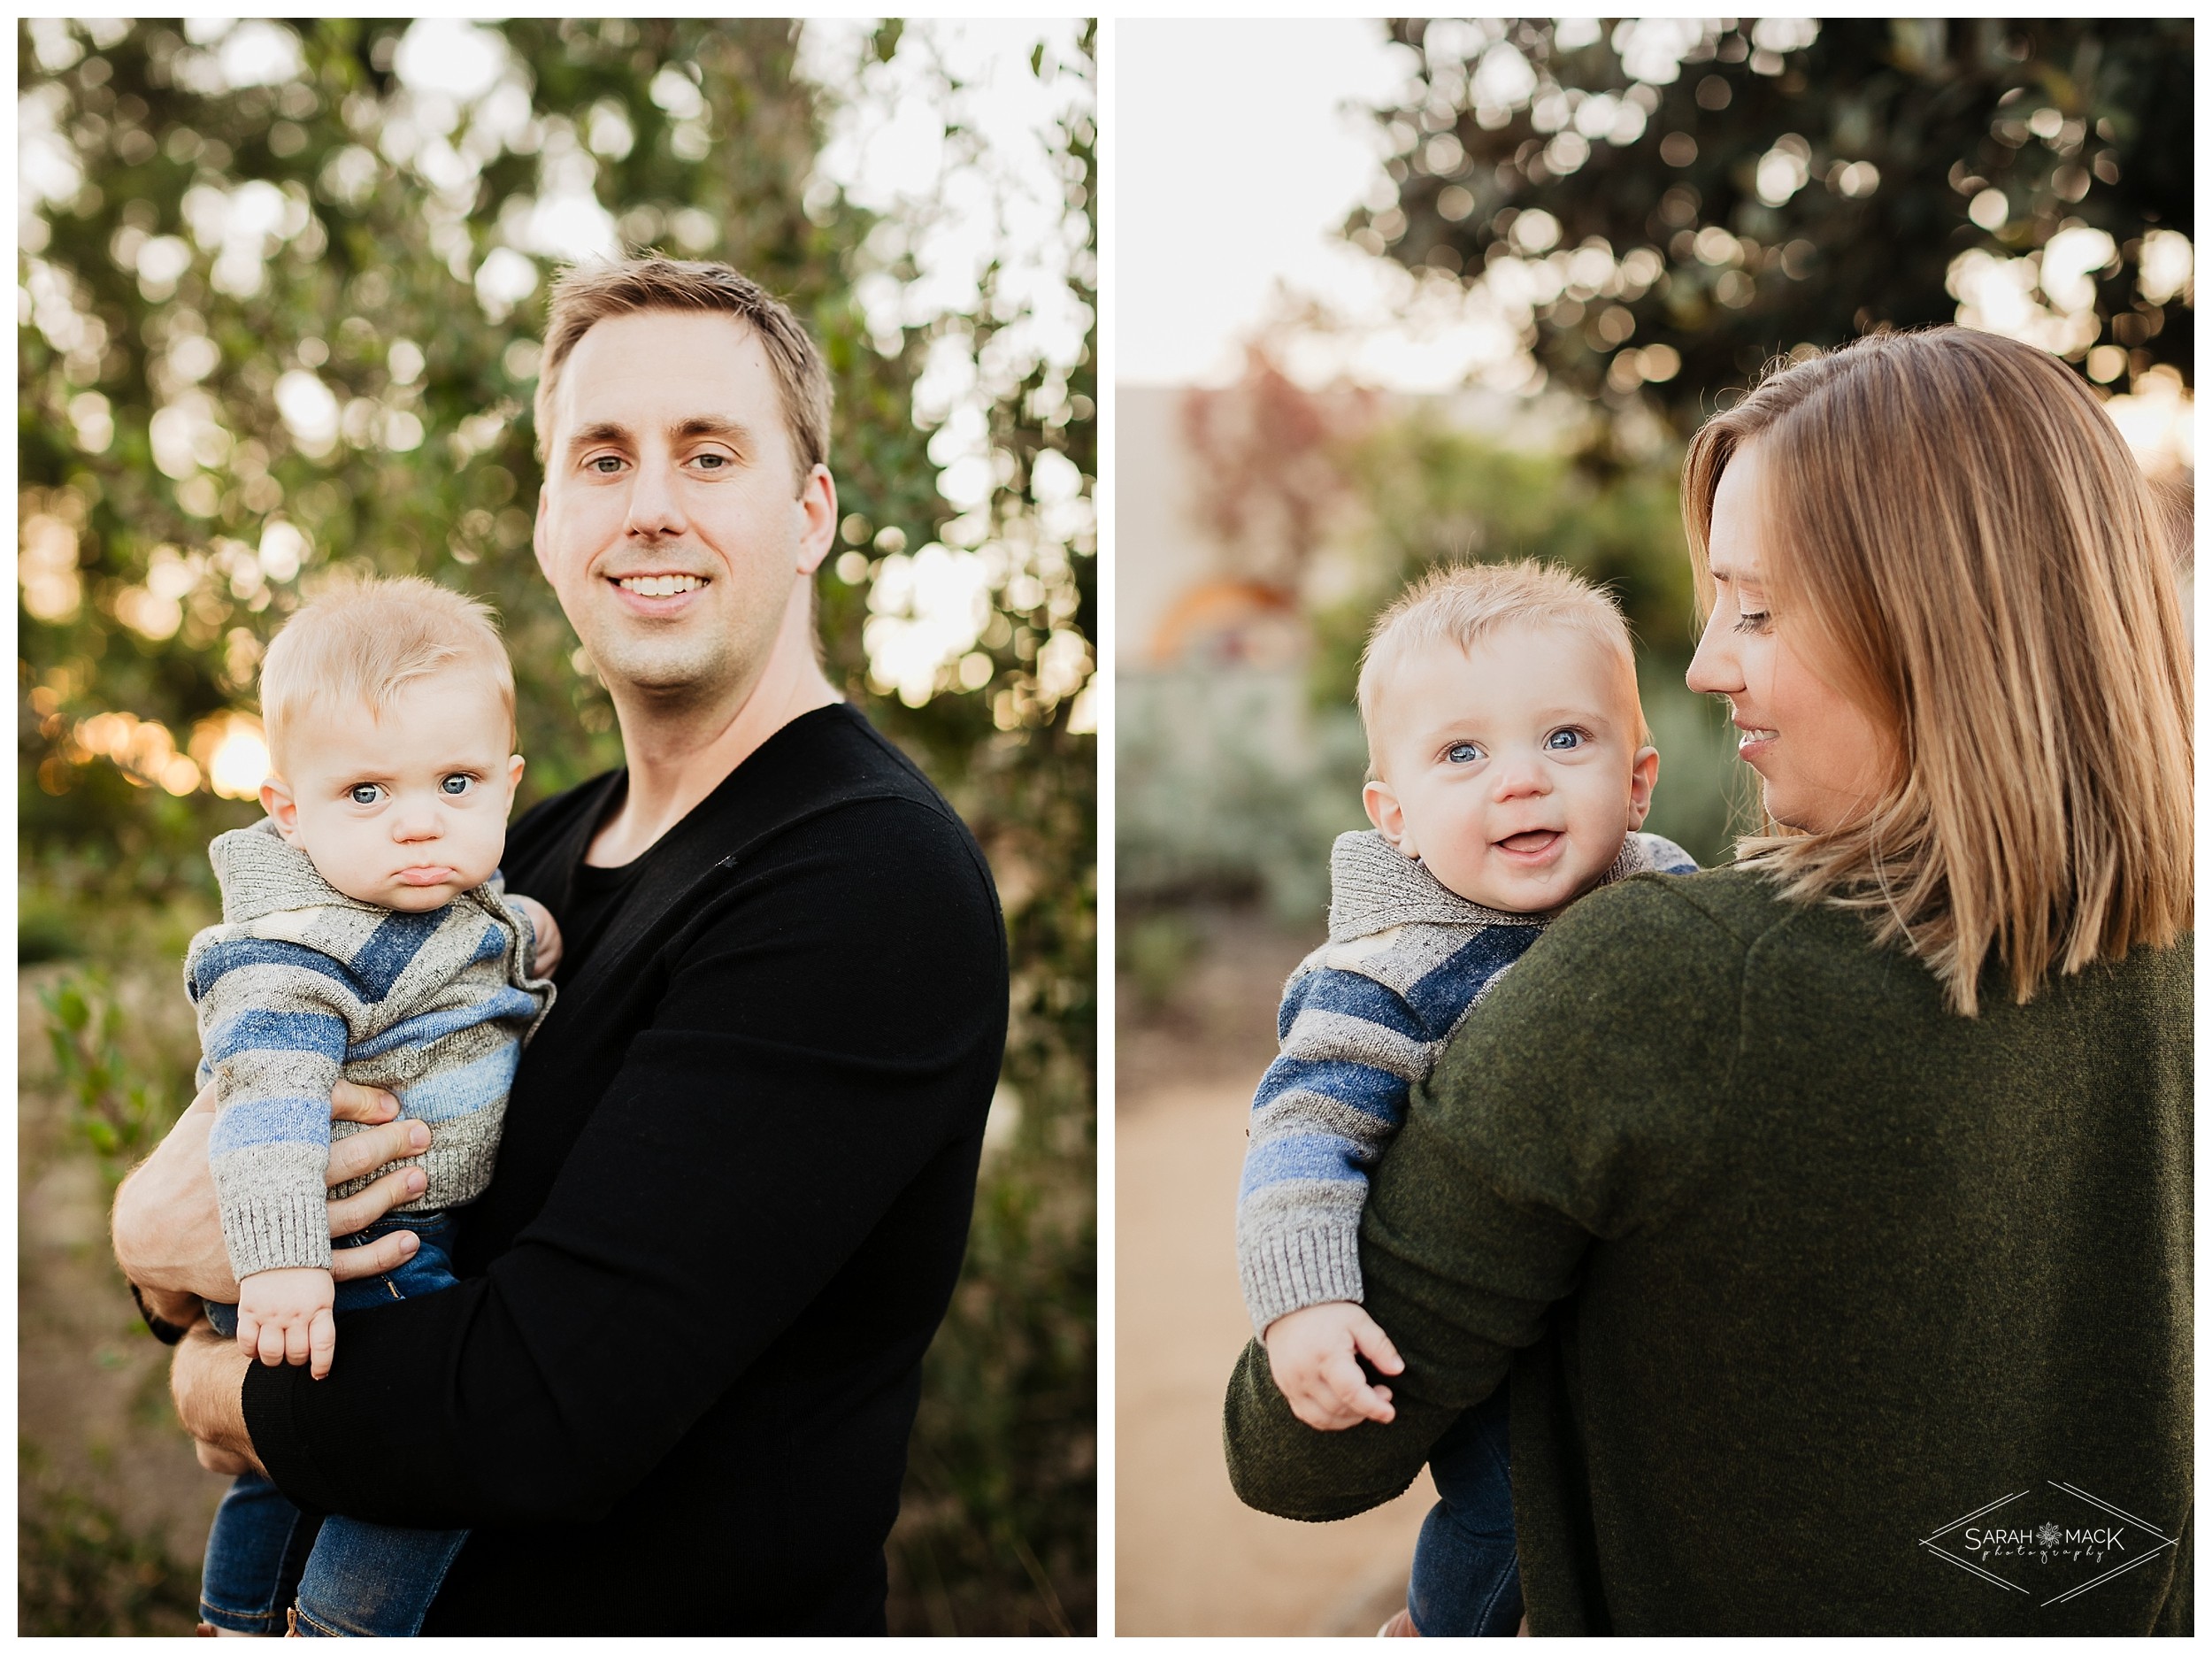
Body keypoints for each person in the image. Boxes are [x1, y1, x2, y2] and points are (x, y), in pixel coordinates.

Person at [1222, 327, 2192, 1635]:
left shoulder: (1660, 981)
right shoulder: (2169, 951)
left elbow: (1292, 1452)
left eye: (1758, 607)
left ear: (1928, 618)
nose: (1704, 664)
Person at [112, 258, 1010, 1635]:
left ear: (811, 509)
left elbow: (539, 1410)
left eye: (709, 454)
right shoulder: (508, 852)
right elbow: (268, 1121)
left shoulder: (864, 879)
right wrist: (152, 1247)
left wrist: (209, 1383)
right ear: (547, 523)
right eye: (602, 458)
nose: (651, 504)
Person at [1234, 560, 1694, 1636]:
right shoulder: (1385, 972)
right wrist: (1302, 1303)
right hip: (1499, 1357)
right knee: (1508, 1517)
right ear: (1393, 813)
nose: (1521, 781)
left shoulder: (1678, 911)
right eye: (1462, 753)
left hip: (1646, 1341)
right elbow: (1302, 1138)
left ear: (1637, 779)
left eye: (1566, 739)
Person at [188, 577, 559, 1636]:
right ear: (288, 811)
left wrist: (539, 936)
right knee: (437, 1459)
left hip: (366, 1242)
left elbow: (488, 935)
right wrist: (281, 1258)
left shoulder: (451, 895)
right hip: (344, 1251)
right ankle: (344, 1627)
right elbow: (267, 1106)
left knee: (278, 1467)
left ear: (506, 784)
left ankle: (237, 1615)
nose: (417, 825)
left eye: (455, 783)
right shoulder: (293, 950)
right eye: (366, 793)